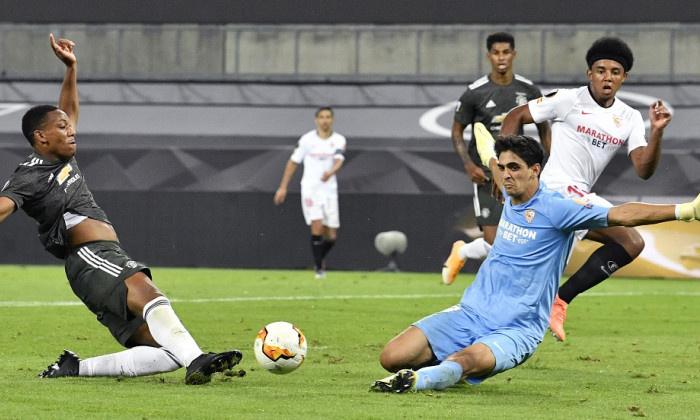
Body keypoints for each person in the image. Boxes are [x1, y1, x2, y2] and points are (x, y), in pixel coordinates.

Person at [370, 134, 698, 393]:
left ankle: (419, 381)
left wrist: (685, 211)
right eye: (503, 167)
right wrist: (485, 140)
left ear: (535, 170)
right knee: (393, 356)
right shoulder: (506, 185)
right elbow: (490, 157)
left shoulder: (560, 209)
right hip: (471, 311)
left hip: (518, 327)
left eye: (515, 168)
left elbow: (624, 214)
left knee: (466, 359)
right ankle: (444, 370)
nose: (506, 175)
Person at [0, 35, 241, 385]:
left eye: (69, 126)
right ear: (41, 137)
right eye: (62, 128)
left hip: (101, 257)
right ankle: (199, 359)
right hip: (88, 256)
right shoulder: (30, 174)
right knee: (149, 293)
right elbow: (4, 206)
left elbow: (67, 108)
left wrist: (71, 68)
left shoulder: (60, 155)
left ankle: (75, 368)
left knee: (166, 351)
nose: (71, 131)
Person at [496, 36, 672, 341]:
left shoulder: (629, 118)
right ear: (590, 73)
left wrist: (656, 132)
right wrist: (505, 166)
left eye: (615, 72)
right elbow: (516, 116)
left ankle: (556, 301)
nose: (607, 77)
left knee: (628, 243)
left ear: (623, 78)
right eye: (601, 70)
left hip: (576, 199)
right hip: (553, 192)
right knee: (630, 239)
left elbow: (644, 169)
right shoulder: (568, 99)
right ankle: (555, 303)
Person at [444, 31, 550, 285]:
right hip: (486, 174)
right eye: (496, 53)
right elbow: (457, 132)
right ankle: (465, 252)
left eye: (506, 52)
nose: (501, 58)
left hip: (519, 176)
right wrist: (469, 165)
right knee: (494, 242)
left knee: (520, 238)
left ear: (513, 55)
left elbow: (545, 129)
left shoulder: (528, 90)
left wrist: (549, 164)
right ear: (489, 56)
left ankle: (475, 261)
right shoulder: (475, 93)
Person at [274, 107, 347, 279]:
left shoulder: (338, 140)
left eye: (328, 117)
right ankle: (319, 269)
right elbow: (293, 163)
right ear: (316, 120)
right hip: (311, 190)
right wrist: (283, 187)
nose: (324, 120)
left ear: (332, 120)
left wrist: (330, 172)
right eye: (321, 117)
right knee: (317, 226)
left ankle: (319, 257)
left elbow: (339, 160)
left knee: (331, 235)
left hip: (329, 191)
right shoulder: (307, 140)